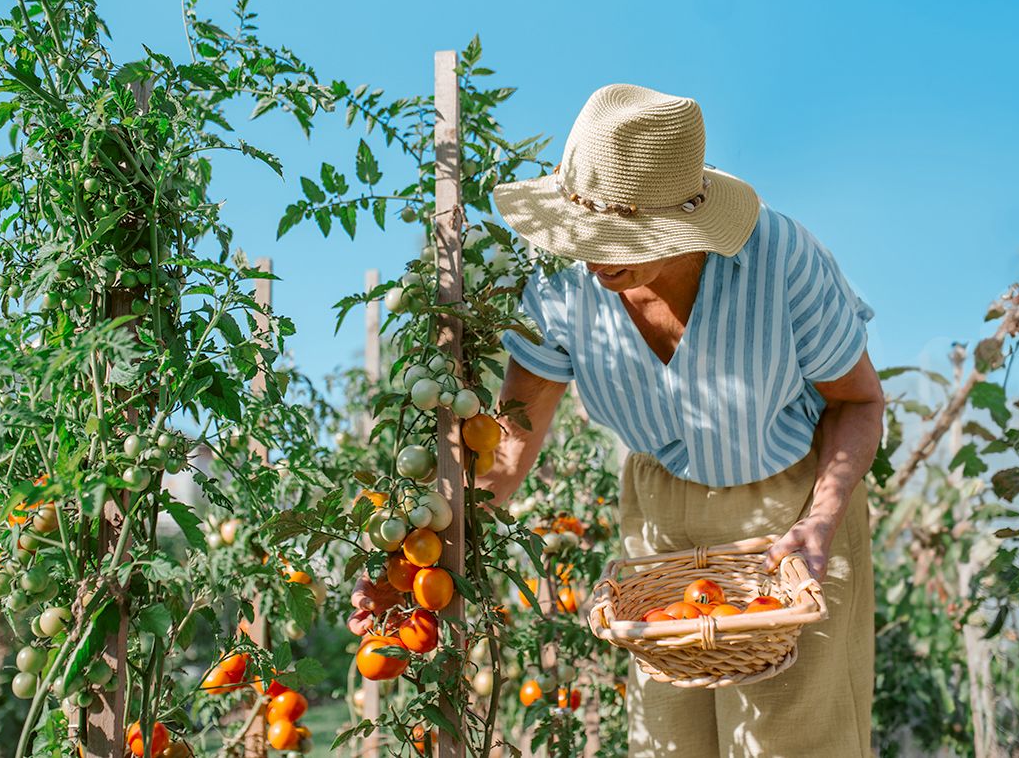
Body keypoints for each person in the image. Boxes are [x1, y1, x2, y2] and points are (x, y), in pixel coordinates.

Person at [352, 83, 883, 757]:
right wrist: (404, 567)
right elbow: (508, 456)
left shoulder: (778, 261)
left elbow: (858, 402)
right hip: (659, 528)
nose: (593, 254)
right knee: (665, 743)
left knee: (793, 741)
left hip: (791, 518)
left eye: (619, 236)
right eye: (584, 232)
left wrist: (821, 519)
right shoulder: (560, 283)